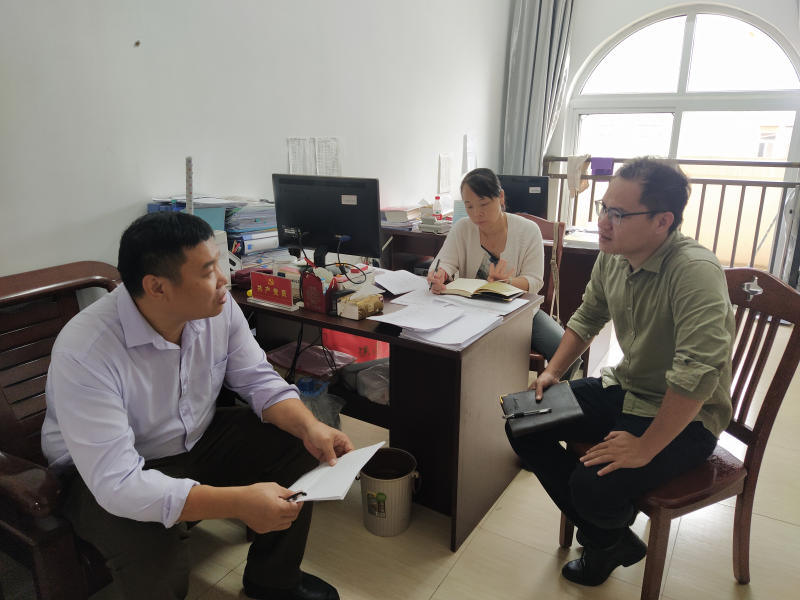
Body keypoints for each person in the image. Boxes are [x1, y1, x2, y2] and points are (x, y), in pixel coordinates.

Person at [42, 211, 352, 600]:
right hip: (102, 474)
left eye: (219, 263)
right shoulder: (86, 351)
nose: (223, 279)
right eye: (208, 271)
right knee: (156, 563)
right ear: (157, 287)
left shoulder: (217, 308)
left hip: (194, 440)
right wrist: (238, 503)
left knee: (297, 442)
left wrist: (311, 427)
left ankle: (273, 580)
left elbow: (258, 380)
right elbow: (118, 484)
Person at [507, 157, 734, 587]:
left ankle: (603, 531)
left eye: (617, 213)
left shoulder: (694, 272)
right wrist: (554, 371)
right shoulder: (614, 256)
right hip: (627, 388)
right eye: (603, 207)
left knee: (591, 486)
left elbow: (697, 376)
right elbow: (588, 315)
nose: (603, 222)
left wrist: (646, 447)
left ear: (662, 221)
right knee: (522, 418)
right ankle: (609, 536)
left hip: (686, 417)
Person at [426, 167, 569, 368]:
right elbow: (445, 262)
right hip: (470, 310)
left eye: (484, 204)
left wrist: (507, 282)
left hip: (518, 313)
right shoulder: (463, 227)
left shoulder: (528, 230)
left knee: (566, 352)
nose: (477, 213)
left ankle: (552, 389)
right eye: (469, 206)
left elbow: (535, 282)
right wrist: (439, 274)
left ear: (501, 197)